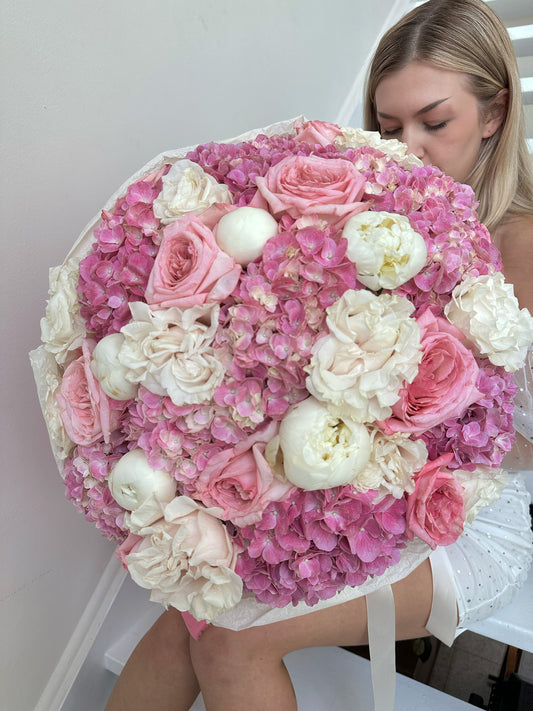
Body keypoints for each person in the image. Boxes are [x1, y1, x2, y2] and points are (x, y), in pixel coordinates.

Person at [105, 1, 533, 709]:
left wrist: (405, 449)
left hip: (462, 523)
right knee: (190, 605)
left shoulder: (525, 246)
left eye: (435, 121)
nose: (410, 146)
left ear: (492, 114)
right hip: (353, 495)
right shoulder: (381, 216)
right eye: (389, 125)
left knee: (230, 637)